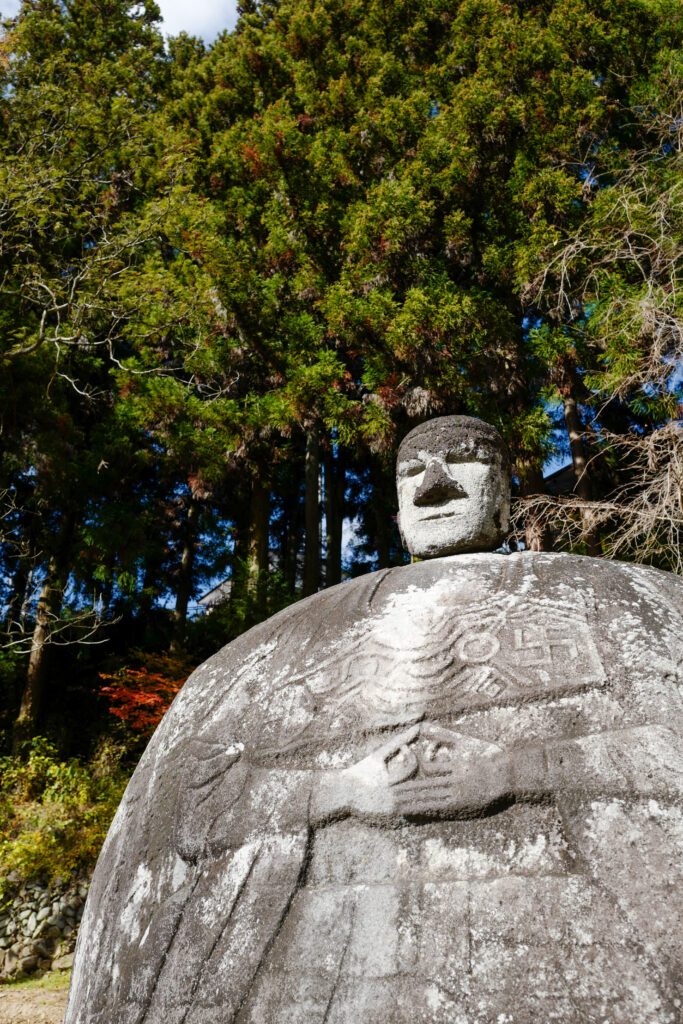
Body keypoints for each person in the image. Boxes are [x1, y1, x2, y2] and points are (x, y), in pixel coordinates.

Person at [66, 416, 682, 1024]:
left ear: (504, 497)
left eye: (462, 461)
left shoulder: (615, 605)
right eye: (411, 471)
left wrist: (511, 769)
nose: (433, 485)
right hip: (328, 971)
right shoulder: (283, 646)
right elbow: (199, 807)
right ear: (395, 508)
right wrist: (345, 790)